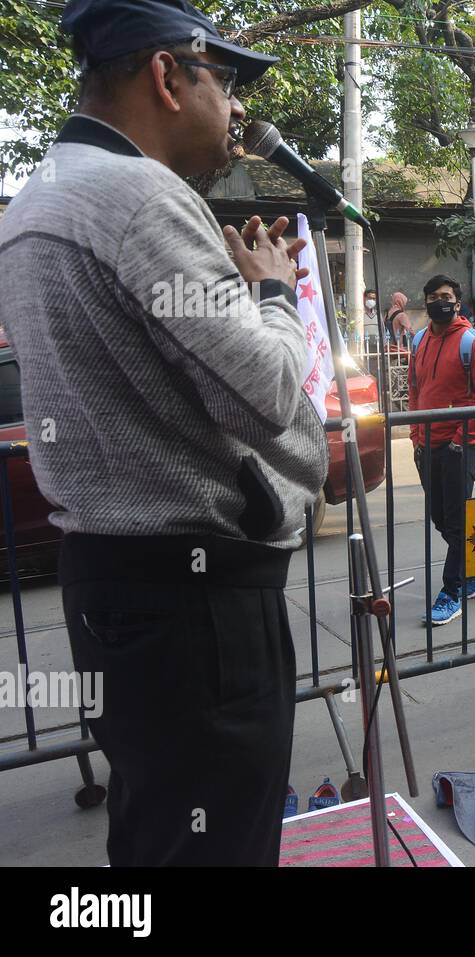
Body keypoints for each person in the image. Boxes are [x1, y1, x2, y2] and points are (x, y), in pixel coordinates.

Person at [0, 0, 328, 865]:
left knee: (157, 832)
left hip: (112, 586)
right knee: (217, 841)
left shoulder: (40, 196)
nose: (236, 114)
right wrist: (270, 292)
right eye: (224, 81)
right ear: (167, 75)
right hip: (197, 607)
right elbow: (268, 393)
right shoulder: (140, 197)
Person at [410, 274, 475, 625]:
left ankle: (452, 591)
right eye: (432, 296)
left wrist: (463, 438)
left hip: (460, 446)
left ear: (457, 303)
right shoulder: (419, 340)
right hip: (425, 444)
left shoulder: (472, 343)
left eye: (445, 296)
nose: (438, 301)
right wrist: (415, 433)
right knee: (440, 518)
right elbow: (416, 388)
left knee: (457, 520)